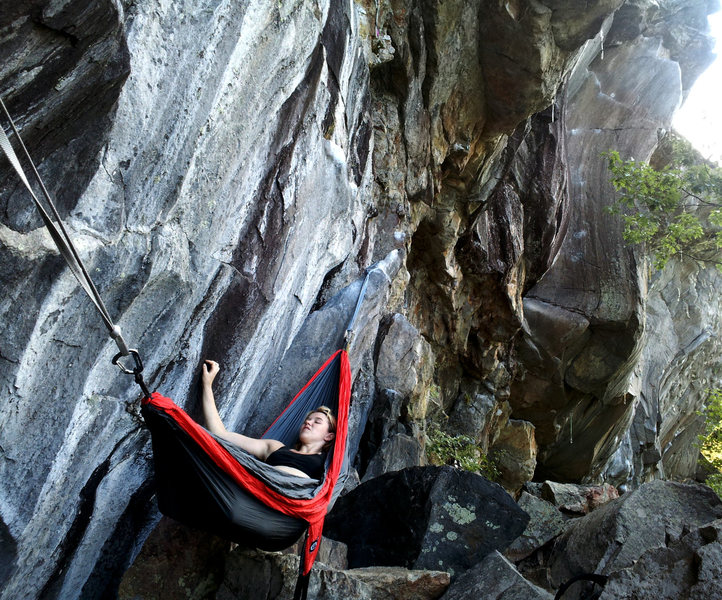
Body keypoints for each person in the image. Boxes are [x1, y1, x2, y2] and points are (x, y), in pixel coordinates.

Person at [201, 359, 336, 480]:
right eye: (308, 419)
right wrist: (207, 385)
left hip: (292, 503)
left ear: (329, 436)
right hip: (259, 492)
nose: (308, 422)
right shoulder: (274, 447)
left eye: (317, 421)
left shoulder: (328, 463)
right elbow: (220, 434)